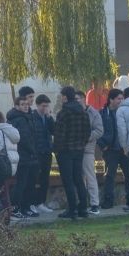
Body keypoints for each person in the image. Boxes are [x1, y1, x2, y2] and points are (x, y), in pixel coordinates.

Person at [53, 86, 90, 219]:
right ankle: (83, 208)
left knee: (68, 180)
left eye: (61, 96)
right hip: (79, 149)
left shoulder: (63, 113)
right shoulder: (83, 112)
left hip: (65, 151)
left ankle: (72, 209)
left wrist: (56, 150)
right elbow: (87, 132)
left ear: (64, 97)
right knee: (78, 179)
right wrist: (82, 144)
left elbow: (59, 134)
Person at [98, 89, 129, 210]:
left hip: (124, 149)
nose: (121, 101)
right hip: (110, 149)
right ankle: (108, 201)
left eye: (122, 98)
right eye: (119, 98)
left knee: (128, 174)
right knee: (109, 176)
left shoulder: (125, 112)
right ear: (111, 99)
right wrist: (103, 145)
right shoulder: (102, 113)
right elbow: (98, 130)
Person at [6, 96, 39, 218]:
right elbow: (24, 138)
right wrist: (33, 151)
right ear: (17, 106)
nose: (26, 106)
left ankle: (25, 207)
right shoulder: (18, 119)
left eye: (27, 104)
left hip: (30, 156)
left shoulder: (27, 117)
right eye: (22, 104)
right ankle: (15, 208)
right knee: (21, 183)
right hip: (23, 156)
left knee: (29, 183)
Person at [76, 90, 104, 215]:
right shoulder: (74, 112)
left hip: (87, 149)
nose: (76, 101)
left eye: (77, 99)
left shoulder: (93, 113)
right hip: (75, 149)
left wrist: (87, 137)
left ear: (83, 99)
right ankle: (81, 203)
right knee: (79, 178)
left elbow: (99, 130)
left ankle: (94, 204)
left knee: (90, 176)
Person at [30, 94, 55, 213]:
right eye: (43, 106)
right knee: (36, 179)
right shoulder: (33, 117)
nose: (45, 108)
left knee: (45, 178)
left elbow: (54, 131)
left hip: (47, 152)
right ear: (38, 105)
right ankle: (34, 203)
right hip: (37, 152)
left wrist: (50, 118)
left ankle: (41, 202)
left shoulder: (47, 117)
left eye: (47, 106)